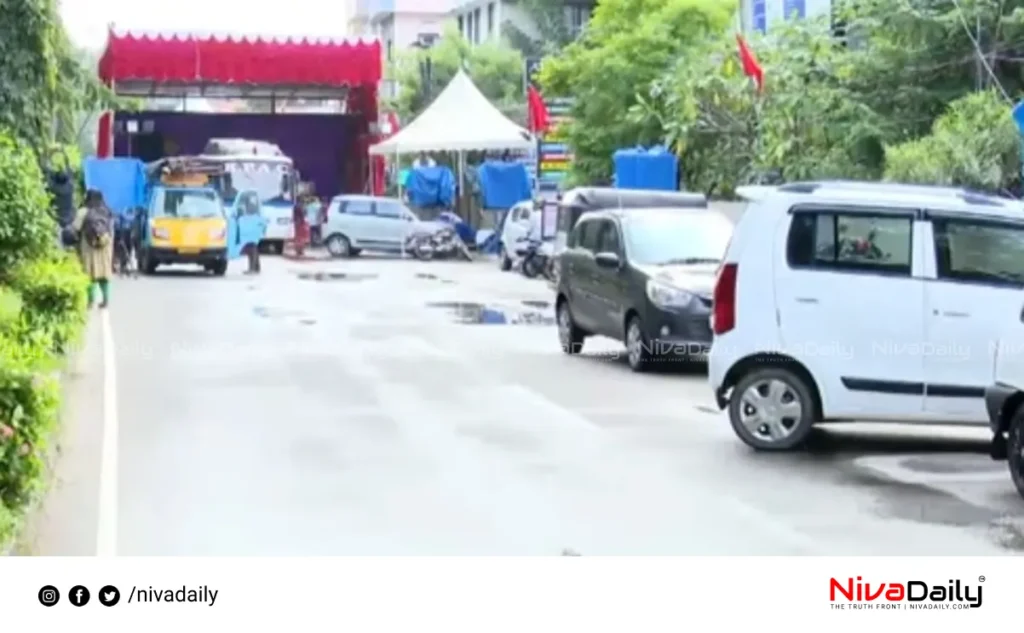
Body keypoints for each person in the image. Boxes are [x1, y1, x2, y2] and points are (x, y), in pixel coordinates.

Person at [73, 190, 115, 308]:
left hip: (88, 246)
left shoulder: (83, 212)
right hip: (105, 246)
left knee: (89, 273)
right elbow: (112, 231)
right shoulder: (108, 211)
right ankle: (105, 300)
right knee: (104, 274)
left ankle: (91, 301)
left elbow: (76, 228)